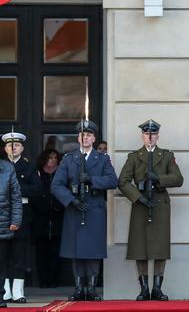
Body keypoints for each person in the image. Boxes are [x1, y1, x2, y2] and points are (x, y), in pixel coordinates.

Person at [51, 120, 118, 301]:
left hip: (94, 209)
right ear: (78, 137)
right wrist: (71, 200)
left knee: (93, 250)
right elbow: (56, 185)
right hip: (75, 208)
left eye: (89, 135)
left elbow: (113, 181)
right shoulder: (68, 158)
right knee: (77, 250)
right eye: (82, 135)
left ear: (94, 138)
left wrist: (92, 180)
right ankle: (79, 288)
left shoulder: (102, 158)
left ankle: (92, 288)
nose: (85, 138)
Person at [118, 120, 183, 301]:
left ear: (158, 136)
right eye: (147, 134)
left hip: (160, 203)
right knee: (141, 246)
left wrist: (159, 178)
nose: (150, 137)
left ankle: (157, 288)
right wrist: (138, 197)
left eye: (153, 134)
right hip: (141, 204)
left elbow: (178, 179)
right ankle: (144, 288)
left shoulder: (167, 156)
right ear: (142, 136)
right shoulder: (134, 157)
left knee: (160, 246)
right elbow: (122, 181)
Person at [2, 131, 41, 304]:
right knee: (4, 254)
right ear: (5, 148)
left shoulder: (29, 167)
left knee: (20, 254)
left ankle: (18, 291)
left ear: (22, 147)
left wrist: (15, 191)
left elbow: (37, 190)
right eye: (10, 145)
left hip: (23, 213)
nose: (13, 147)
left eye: (16, 145)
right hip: (3, 214)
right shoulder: (1, 166)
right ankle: (5, 291)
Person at [32, 149, 64, 288]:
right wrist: (44, 208)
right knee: (41, 253)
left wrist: (57, 207)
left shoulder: (61, 174)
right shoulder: (37, 174)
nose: (53, 160)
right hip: (41, 220)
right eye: (50, 157)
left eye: (55, 158)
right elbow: (35, 194)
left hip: (57, 219)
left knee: (55, 253)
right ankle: (43, 280)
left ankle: (54, 280)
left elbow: (65, 193)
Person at [0, 158, 22, 309]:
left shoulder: (7, 168)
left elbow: (15, 197)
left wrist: (15, 220)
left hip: (2, 223)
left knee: (1, 263)